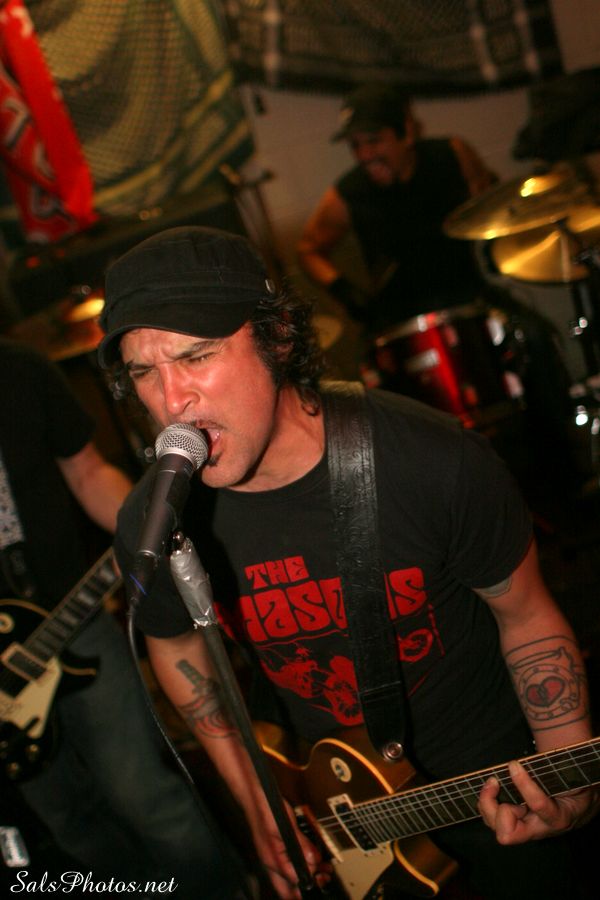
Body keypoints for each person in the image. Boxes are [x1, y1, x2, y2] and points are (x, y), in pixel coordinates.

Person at [98, 225, 598, 900]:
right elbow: (175, 642)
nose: (171, 401)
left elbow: (527, 616)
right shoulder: (157, 518)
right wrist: (258, 800)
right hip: (345, 823)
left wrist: (571, 774)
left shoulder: (430, 461)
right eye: (143, 373)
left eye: (197, 356)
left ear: (277, 339)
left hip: (495, 802)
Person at [0, 337, 248, 898]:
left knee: (147, 798)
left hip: (72, 620)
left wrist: (141, 532)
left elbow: (88, 472)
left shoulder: (18, 370)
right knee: (71, 824)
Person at [297, 82, 497, 336]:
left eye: (374, 141)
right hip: (402, 325)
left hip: (469, 301)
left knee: (534, 336)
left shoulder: (452, 154)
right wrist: (345, 292)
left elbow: (488, 201)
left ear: (407, 132)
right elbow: (308, 250)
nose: (364, 155)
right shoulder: (349, 193)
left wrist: (496, 248)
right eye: (355, 145)